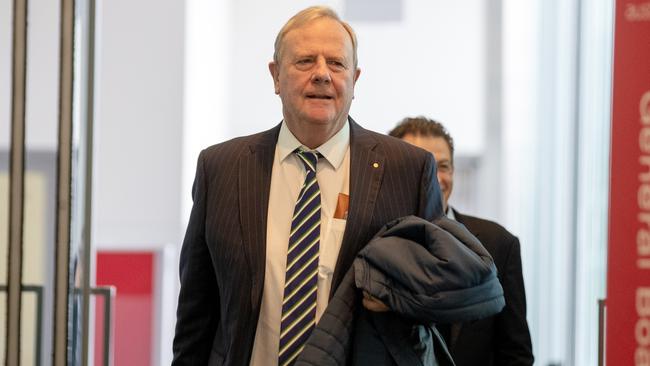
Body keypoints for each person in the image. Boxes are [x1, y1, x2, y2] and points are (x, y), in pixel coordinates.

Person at [172, 7, 443, 366]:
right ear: (276, 76)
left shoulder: (407, 170)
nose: (321, 75)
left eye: (336, 63)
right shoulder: (221, 168)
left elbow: (442, 293)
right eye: (304, 61)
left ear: (355, 79)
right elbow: (196, 311)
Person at [389, 117, 534, 366]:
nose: (435, 178)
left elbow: (515, 355)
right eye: (422, 167)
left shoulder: (499, 245)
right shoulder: (371, 245)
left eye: (443, 166)